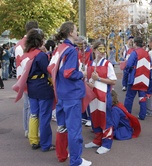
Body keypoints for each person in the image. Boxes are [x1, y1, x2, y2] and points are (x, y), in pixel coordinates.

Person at [48, 21, 92, 166]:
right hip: (71, 94)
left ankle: (62, 155)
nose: (77, 32)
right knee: (74, 130)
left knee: (62, 127)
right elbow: (69, 72)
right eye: (75, 29)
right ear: (70, 32)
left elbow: (52, 68)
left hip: (61, 93)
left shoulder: (60, 48)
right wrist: (82, 73)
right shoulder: (72, 50)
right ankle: (76, 161)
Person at [84, 41, 117, 155]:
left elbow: (113, 81)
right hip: (93, 97)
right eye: (99, 49)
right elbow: (89, 81)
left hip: (104, 96)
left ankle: (107, 144)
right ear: (94, 50)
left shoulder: (107, 64)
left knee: (106, 119)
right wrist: (89, 83)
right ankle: (97, 140)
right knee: (95, 118)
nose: (102, 52)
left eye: (103, 49)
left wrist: (99, 79)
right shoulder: (91, 63)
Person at [15, 20, 39, 138]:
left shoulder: (19, 43)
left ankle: (27, 129)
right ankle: (30, 130)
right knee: (31, 106)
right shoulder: (28, 44)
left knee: (26, 105)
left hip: (21, 77)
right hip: (29, 78)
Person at [124, 36, 151, 120]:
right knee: (142, 97)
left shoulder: (134, 53)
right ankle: (142, 115)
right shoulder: (146, 53)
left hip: (134, 78)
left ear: (135, 43)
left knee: (129, 97)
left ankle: (127, 115)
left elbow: (129, 65)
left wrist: (127, 72)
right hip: (144, 78)